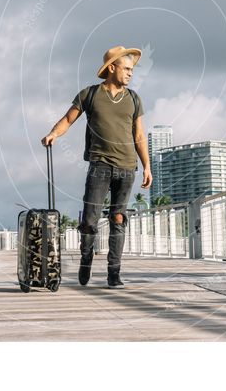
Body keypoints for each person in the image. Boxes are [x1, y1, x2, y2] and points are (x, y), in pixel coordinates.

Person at [41, 46, 152, 288]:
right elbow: (68, 119)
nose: (131, 74)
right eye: (126, 68)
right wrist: (53, 134)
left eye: (132, 70)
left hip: (126, 167)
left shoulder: (134, 98)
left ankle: (114, 273)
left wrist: (147, 166)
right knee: (90, 220)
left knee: (118, 218)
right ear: (111, 68)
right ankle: (86, 258)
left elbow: (139, 135)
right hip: (99, 165)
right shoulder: (89, 95)